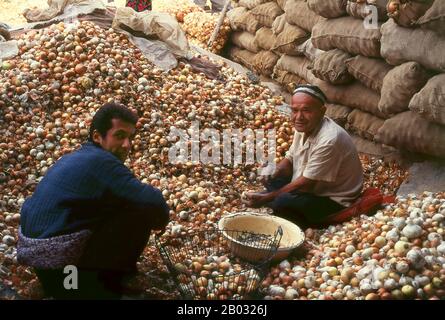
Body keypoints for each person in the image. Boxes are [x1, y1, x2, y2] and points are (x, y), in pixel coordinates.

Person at [17, 103, 170, 299]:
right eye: (120, 136)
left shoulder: (74, 157)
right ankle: (105, 287)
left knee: (121, 201)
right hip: (65, 273)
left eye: (130, 137)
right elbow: (153, 200)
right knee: (139, 213)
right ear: (97, 136)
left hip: (40, 265)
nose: (127, 145)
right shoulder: (103, 162)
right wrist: (160, 221)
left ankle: (64, 286)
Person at [245, 85, 364, 228]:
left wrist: (269, 197)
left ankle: (293, 213)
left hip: (331, 198)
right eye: (294, 110)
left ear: (322, 112)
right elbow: (290, 158)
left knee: (281, 202)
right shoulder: (303, 126)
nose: (299, 117)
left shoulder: (330, 139)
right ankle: (274, 198)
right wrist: (275, 171)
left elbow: (306, 183)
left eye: (306, 110)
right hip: (309, 185)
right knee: (270, 178)